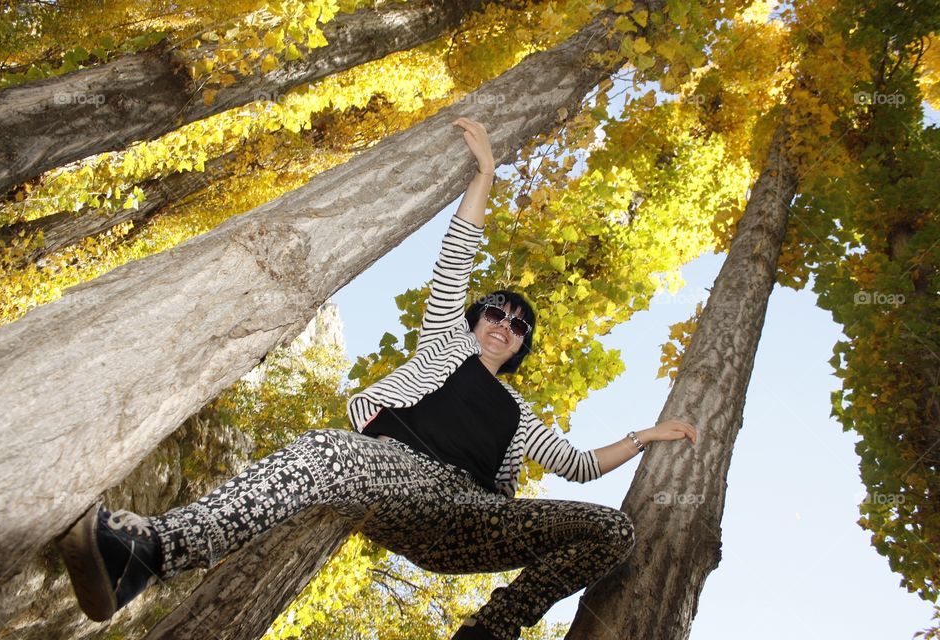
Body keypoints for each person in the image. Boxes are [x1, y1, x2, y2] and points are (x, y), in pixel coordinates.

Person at [56, 117, 698, 640]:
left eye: (518, 324)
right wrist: (485, 175)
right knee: (325, 451)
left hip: (475, 520)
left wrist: (649, 434)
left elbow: (580, 465)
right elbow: (456, 256)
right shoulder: (445, 343)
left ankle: (493, 630)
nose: (505, 322)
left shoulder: (519, 411)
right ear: (475, 322)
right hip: (398, 477)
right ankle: (148, 553)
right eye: (495, 312)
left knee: (612, 531)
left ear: (522, 345)